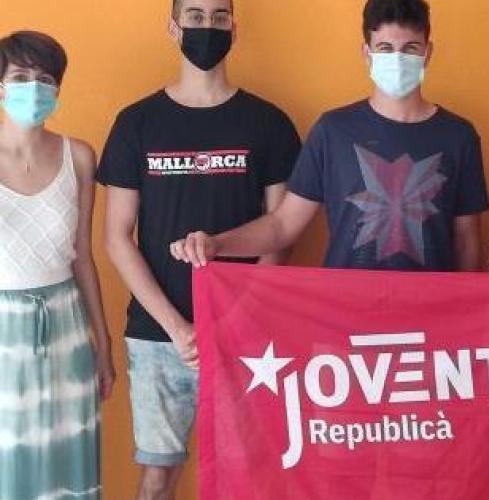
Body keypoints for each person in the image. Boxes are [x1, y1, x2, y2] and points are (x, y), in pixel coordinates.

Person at [96, 0, 301, 497]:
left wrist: (231, 318)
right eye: (194, 16)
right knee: (157, 477)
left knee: (246, 475)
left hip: (245, 335)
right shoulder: (136, 122)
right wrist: (177, 326)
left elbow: (282, 231)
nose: (206, 27)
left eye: (217, 17)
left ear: (233, 26)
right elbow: (116, 237)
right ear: (174, 27)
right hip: (158, 335)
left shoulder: (269, 123)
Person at [170, 0, 489, 272]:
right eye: (385, 48)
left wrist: (465, 313)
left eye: (410, 48)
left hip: (429, 316)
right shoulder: (333, 131)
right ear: (367, 53)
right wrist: (218, 244)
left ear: (427, 53)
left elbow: (466, 243)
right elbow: (282, 226)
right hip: (345, 313)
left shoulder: (458, 136)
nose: (397, 58)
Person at [0, 31, 115, 500]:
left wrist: (103, 345)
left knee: (67, 463)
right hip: (4, 331)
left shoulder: (79, 156)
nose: (33, 87)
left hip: (67, 325)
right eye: (19, 77)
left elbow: (83, 256)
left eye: (45, 79)